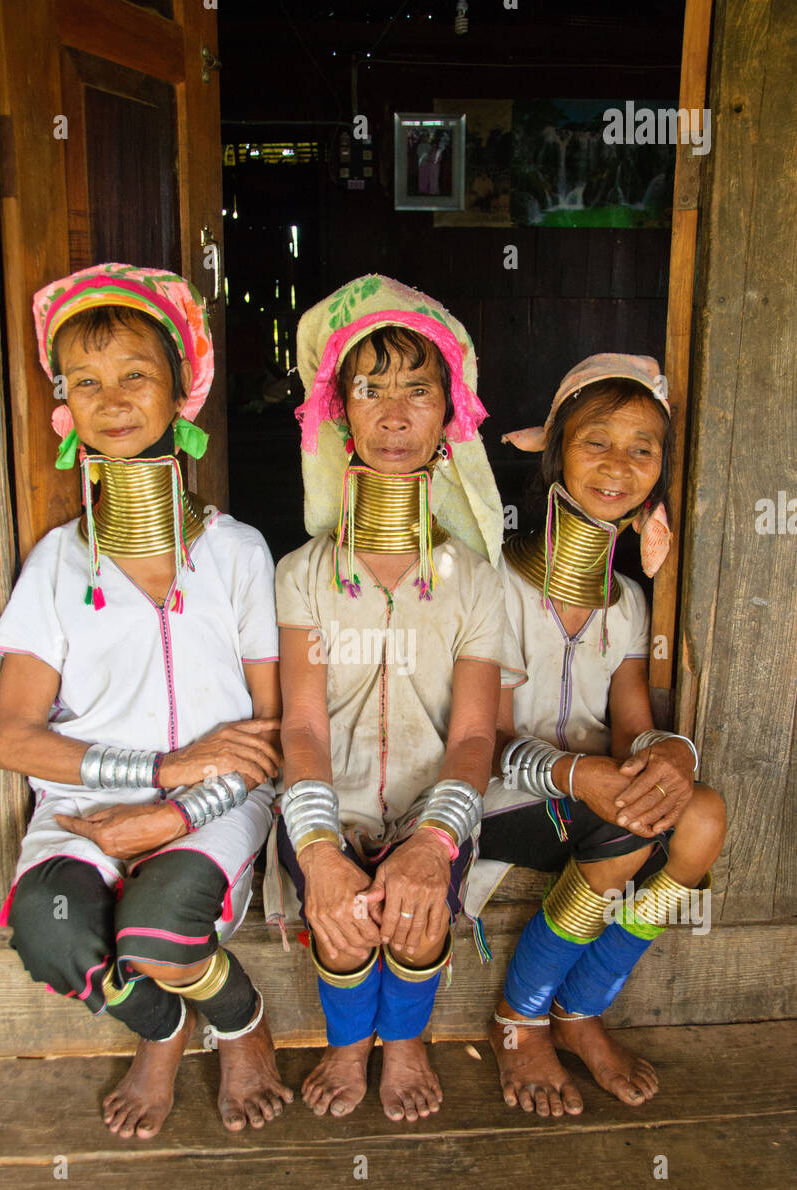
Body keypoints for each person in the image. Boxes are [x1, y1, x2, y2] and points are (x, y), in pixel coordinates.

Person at [0, 263, 292, 1139]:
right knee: (50, 934)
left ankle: (238, 1022)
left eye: (135, 376)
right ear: (64, 409)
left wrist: (174, 808)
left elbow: (269, 729)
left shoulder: (236, 553)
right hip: (87, 806)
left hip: (218, 803)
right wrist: (150, 773)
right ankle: (161, 1029)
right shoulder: (57, 563)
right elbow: (14, 736)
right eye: (86, 382)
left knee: (157, 929)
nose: (111, 399)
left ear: (180, 394)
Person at [268, 274, 506, 1122]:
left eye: (419, 391)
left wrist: (433, 840)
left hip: (431, 801)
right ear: (338, 412)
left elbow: (476, 738)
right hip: (322, 799)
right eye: (371, 390)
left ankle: (403, 1040)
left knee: (416, 907)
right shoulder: (301, 576)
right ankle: (346, 1043)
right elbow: (300, 723)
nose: (397, 416)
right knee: (340, 912)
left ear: (452, 416)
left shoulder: (475, 583)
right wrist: (323, 847)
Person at [474, 353, 727, 1117]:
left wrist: (671, 762)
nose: (619, 464)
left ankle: (581, 1006)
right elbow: (484, 741)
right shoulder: (496, 583)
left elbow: (633, 728)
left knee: (704, 815)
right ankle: (519, 1018)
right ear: (554, 450)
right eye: (597, 440)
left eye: (643, 447)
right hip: (495, 800)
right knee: (625, 823)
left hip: (592, 795)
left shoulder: (625, 601)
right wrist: (589, 779)